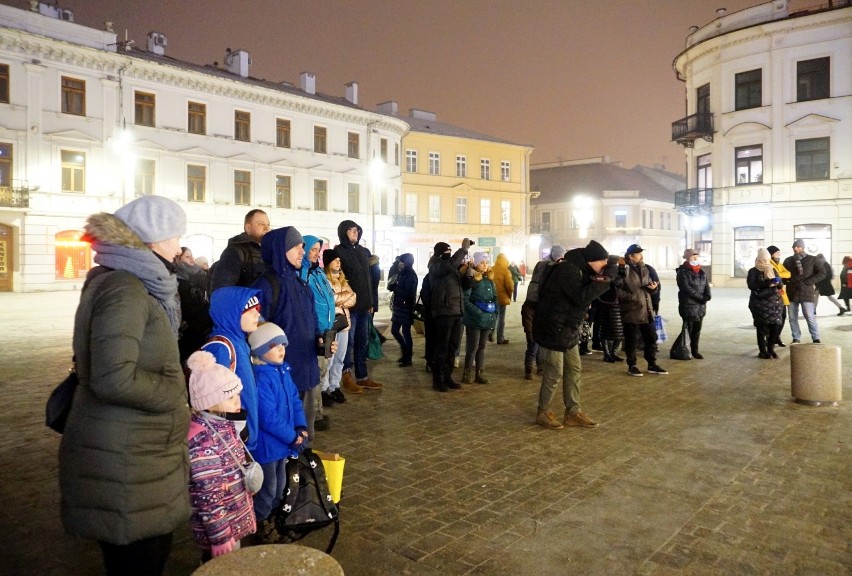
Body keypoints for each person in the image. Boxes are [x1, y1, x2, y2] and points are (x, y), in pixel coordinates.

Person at [59, 196, 189, 576]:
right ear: (151, 240)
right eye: (174, 237)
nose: (179, 247)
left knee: (146, 553)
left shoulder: (133, 281)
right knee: (137, 560)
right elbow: (113, 376)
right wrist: (173, 392)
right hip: (124, 451)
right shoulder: (126, 287)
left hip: (135, 447)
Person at [533, 240, 615, 429]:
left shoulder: (584, 271)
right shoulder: (568, 270)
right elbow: (581, 297)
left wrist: (609, 279)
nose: (604, 266)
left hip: (568, 329)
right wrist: (606, 281)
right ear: (591, 261)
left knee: (574, 370)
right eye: (602, 262)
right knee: (554, 373)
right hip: (552, 328)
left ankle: (573, 413)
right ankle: (543, 412)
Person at [252, 226, 322, 442]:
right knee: (284, 437)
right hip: (281, 377)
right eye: (296, 247)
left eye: (302, 247)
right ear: (280, 249)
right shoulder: (266, 286)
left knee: (305, 433)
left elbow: (311, 323)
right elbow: (255, 333)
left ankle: (303, 471)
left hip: (307, 371)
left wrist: (320, 340)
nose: (302, 251)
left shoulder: (302, 285)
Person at [186, 350, 256, 562]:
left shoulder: (224, 426)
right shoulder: (203, 442)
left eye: (237, 395)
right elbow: (208, 499)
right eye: (230, 397)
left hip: (232, 520)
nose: (238, 402)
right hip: (222, 531)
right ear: (211, 403)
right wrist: (220, 538)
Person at [247, 322, 309, 544]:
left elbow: (294, 400)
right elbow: (268, 417)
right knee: (268, 487)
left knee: (281, 485)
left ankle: (275, 518)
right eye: (274, 345)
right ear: (261, 351)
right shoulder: (261, 377)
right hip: (268, 447)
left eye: (283, 344)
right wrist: (292, 436)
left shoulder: (283, 371)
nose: (282, 349)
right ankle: (259, 523)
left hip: (282, 445)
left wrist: (300, 426)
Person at [202, 287, 263, 450]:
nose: (258, 314)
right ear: (232, 313)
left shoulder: (240, 342)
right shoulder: (220, 348)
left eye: (258, 309)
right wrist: (240, 432)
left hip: (244, 434)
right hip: (233, 439)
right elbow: (216, 403)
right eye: (251, 310)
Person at [334, 220, 382, 390]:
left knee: (362, 342)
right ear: (343, 232)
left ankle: (362, 376)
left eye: (357, 230)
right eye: (351, 230)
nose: (355, 233)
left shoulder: (363, 251)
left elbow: (368, 279)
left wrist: (370, 302)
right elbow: (337, 279)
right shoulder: (339, 251)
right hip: (349, 308)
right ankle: (346, 375)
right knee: (348, 342)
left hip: (364, 307)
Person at [427, 239, 473, 392]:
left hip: (456, 311)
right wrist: (463, 250)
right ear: (439, 253)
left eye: (450, 251)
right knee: (442, 347)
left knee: (453, 347)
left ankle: (447, 376)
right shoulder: (436, 265)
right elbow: (448, 266)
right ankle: (437, 379)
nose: (449, 254)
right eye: (447, 251)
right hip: (443, 311)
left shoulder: (451, 267)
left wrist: (468, 275)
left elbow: (464, 287)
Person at [301, 235, 336, 432]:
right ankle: (314, 415)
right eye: (312, 249)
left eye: (317, 250)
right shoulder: (303, 273)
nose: (315, 253)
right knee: (315, 374)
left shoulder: (318, 273)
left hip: (328, 330)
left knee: (322, 372)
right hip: (315, 333)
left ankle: (318, 411)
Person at [617, 244, 668, 377]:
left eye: (641, 253)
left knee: (651, 338)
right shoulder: (622, 270)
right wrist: (633, 297)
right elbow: (616, 290)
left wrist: (653, 288)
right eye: (638, 254)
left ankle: (652, 364)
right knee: (631, 340)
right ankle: (632, 365)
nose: (641, 256)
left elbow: (649, 285)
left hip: (647, 310)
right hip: (631, 310)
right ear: (631, 256)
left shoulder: (645, 268)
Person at [521, 246, 565, 380]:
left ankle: (539, 367)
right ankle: (530, 367)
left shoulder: (541, 265)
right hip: (535, 309)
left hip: (536, 308)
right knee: (534, 342)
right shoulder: (549, 267)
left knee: (537, 341)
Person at [210, 209, 270, 292]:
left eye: (268, 224)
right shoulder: (234, 252)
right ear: (248, 228)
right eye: (261, 224)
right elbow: (222, 289)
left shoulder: (269, 251)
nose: (266, 228)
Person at [324, 248, 356, 401]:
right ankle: (324, 389)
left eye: (339, 260)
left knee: (340, 359)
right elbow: (329, 299)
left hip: (345, 324)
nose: (338, 262)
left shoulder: (342, 279)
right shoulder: (323, 279)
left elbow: (353, 298)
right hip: (332, 324)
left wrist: (339, 298)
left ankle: (334, 386)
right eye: (335, 260)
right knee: (329, 358)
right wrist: (345, 297)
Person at [462, 252, 497, 384]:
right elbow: (466, 300)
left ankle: (479, 372)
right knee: (473, 348)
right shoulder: (472, 280)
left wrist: (495, 313)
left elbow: (495, 298)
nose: (485, 265)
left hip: (487, 319)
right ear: (476, 263)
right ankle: (467, 372)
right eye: (482, 262)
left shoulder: (489, 280)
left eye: (487, 262)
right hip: (475, 320)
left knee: (482, 347)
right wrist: (478, 312)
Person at [783, 239, 825, 343]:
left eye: (798, 247)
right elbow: (783, 274)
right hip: (791, 292)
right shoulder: (788, 260)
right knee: (792, 318)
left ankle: (816, 338)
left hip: (806, 292)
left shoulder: (813, 259)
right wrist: (787, 281)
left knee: (810, 316)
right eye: (794, 247)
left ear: (803, 247)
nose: (796, 249)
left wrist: (809, 281)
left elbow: (822, 273)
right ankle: (796, 338)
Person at [176, 246, 212, 365]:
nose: (192, 259)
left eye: (192, 256)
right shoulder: (175, 277)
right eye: (187, 256)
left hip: (203, 322)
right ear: (178, 259)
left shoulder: (201, 274)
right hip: (186, 325)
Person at [747, 248, 785, 359]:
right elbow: (752, 286)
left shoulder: (773, 269)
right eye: (762, 260)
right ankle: (762, 351)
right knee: (762, 328)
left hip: (774, 304)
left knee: (775, 328)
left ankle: (771, 349)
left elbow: (781, 286)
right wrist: (768, 283)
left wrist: (777, 282)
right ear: (758, 260)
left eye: (766, 260)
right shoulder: (753, 271)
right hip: (760, 303)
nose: (764, 262)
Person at [675, 249, 711, 359]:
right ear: (687, 258)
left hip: (700, 306)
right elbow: (686, 288)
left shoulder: (701, 271)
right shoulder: (683, 272)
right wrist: (701, 297)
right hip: (689, 305)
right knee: (688, 329)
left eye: (696, 255)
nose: (695, 258)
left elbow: (706, 285)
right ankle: (684, 349)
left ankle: (695, 350)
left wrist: (707, 295)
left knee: (697, 330)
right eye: (692, 256)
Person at [389, 253, 418, 367]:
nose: (400, 263)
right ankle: (406, 351)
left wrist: (395, 288)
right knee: (394, 330)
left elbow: (408, 293)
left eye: (401, 261)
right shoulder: (402, 273)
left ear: (407, 262)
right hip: (399, 306)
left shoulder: (410, 275)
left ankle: (408, 357)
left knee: (406, 333)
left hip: (406, 307)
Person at [598, 255, 625, 363]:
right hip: (614, 303)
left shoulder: (604, 271)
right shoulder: (614, 271)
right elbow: (617, 283)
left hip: (607, 303)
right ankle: (610, 353)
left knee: (608, 330)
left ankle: (609, 353)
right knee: (615, 331)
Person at [767, 245, 791, 347]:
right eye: (777, 252)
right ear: (771, 254)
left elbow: (788, 274)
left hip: (781, 294)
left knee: (783, 316)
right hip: (772, 295)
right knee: (773, 319)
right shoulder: (768, 263)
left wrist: (779, 274)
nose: (779, 254)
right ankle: (771, 339)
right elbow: (771, 276)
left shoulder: (779, 264)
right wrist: (779, 274)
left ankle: (777, 336)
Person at [491, 253, 514, 344]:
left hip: (491, 297)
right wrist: (509, 295)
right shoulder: (506, 271)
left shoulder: (491, 269)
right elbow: (510, 286)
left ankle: (490, 331)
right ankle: (500, 338)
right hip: (501, 298)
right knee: (501, 318)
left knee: (493, 316)